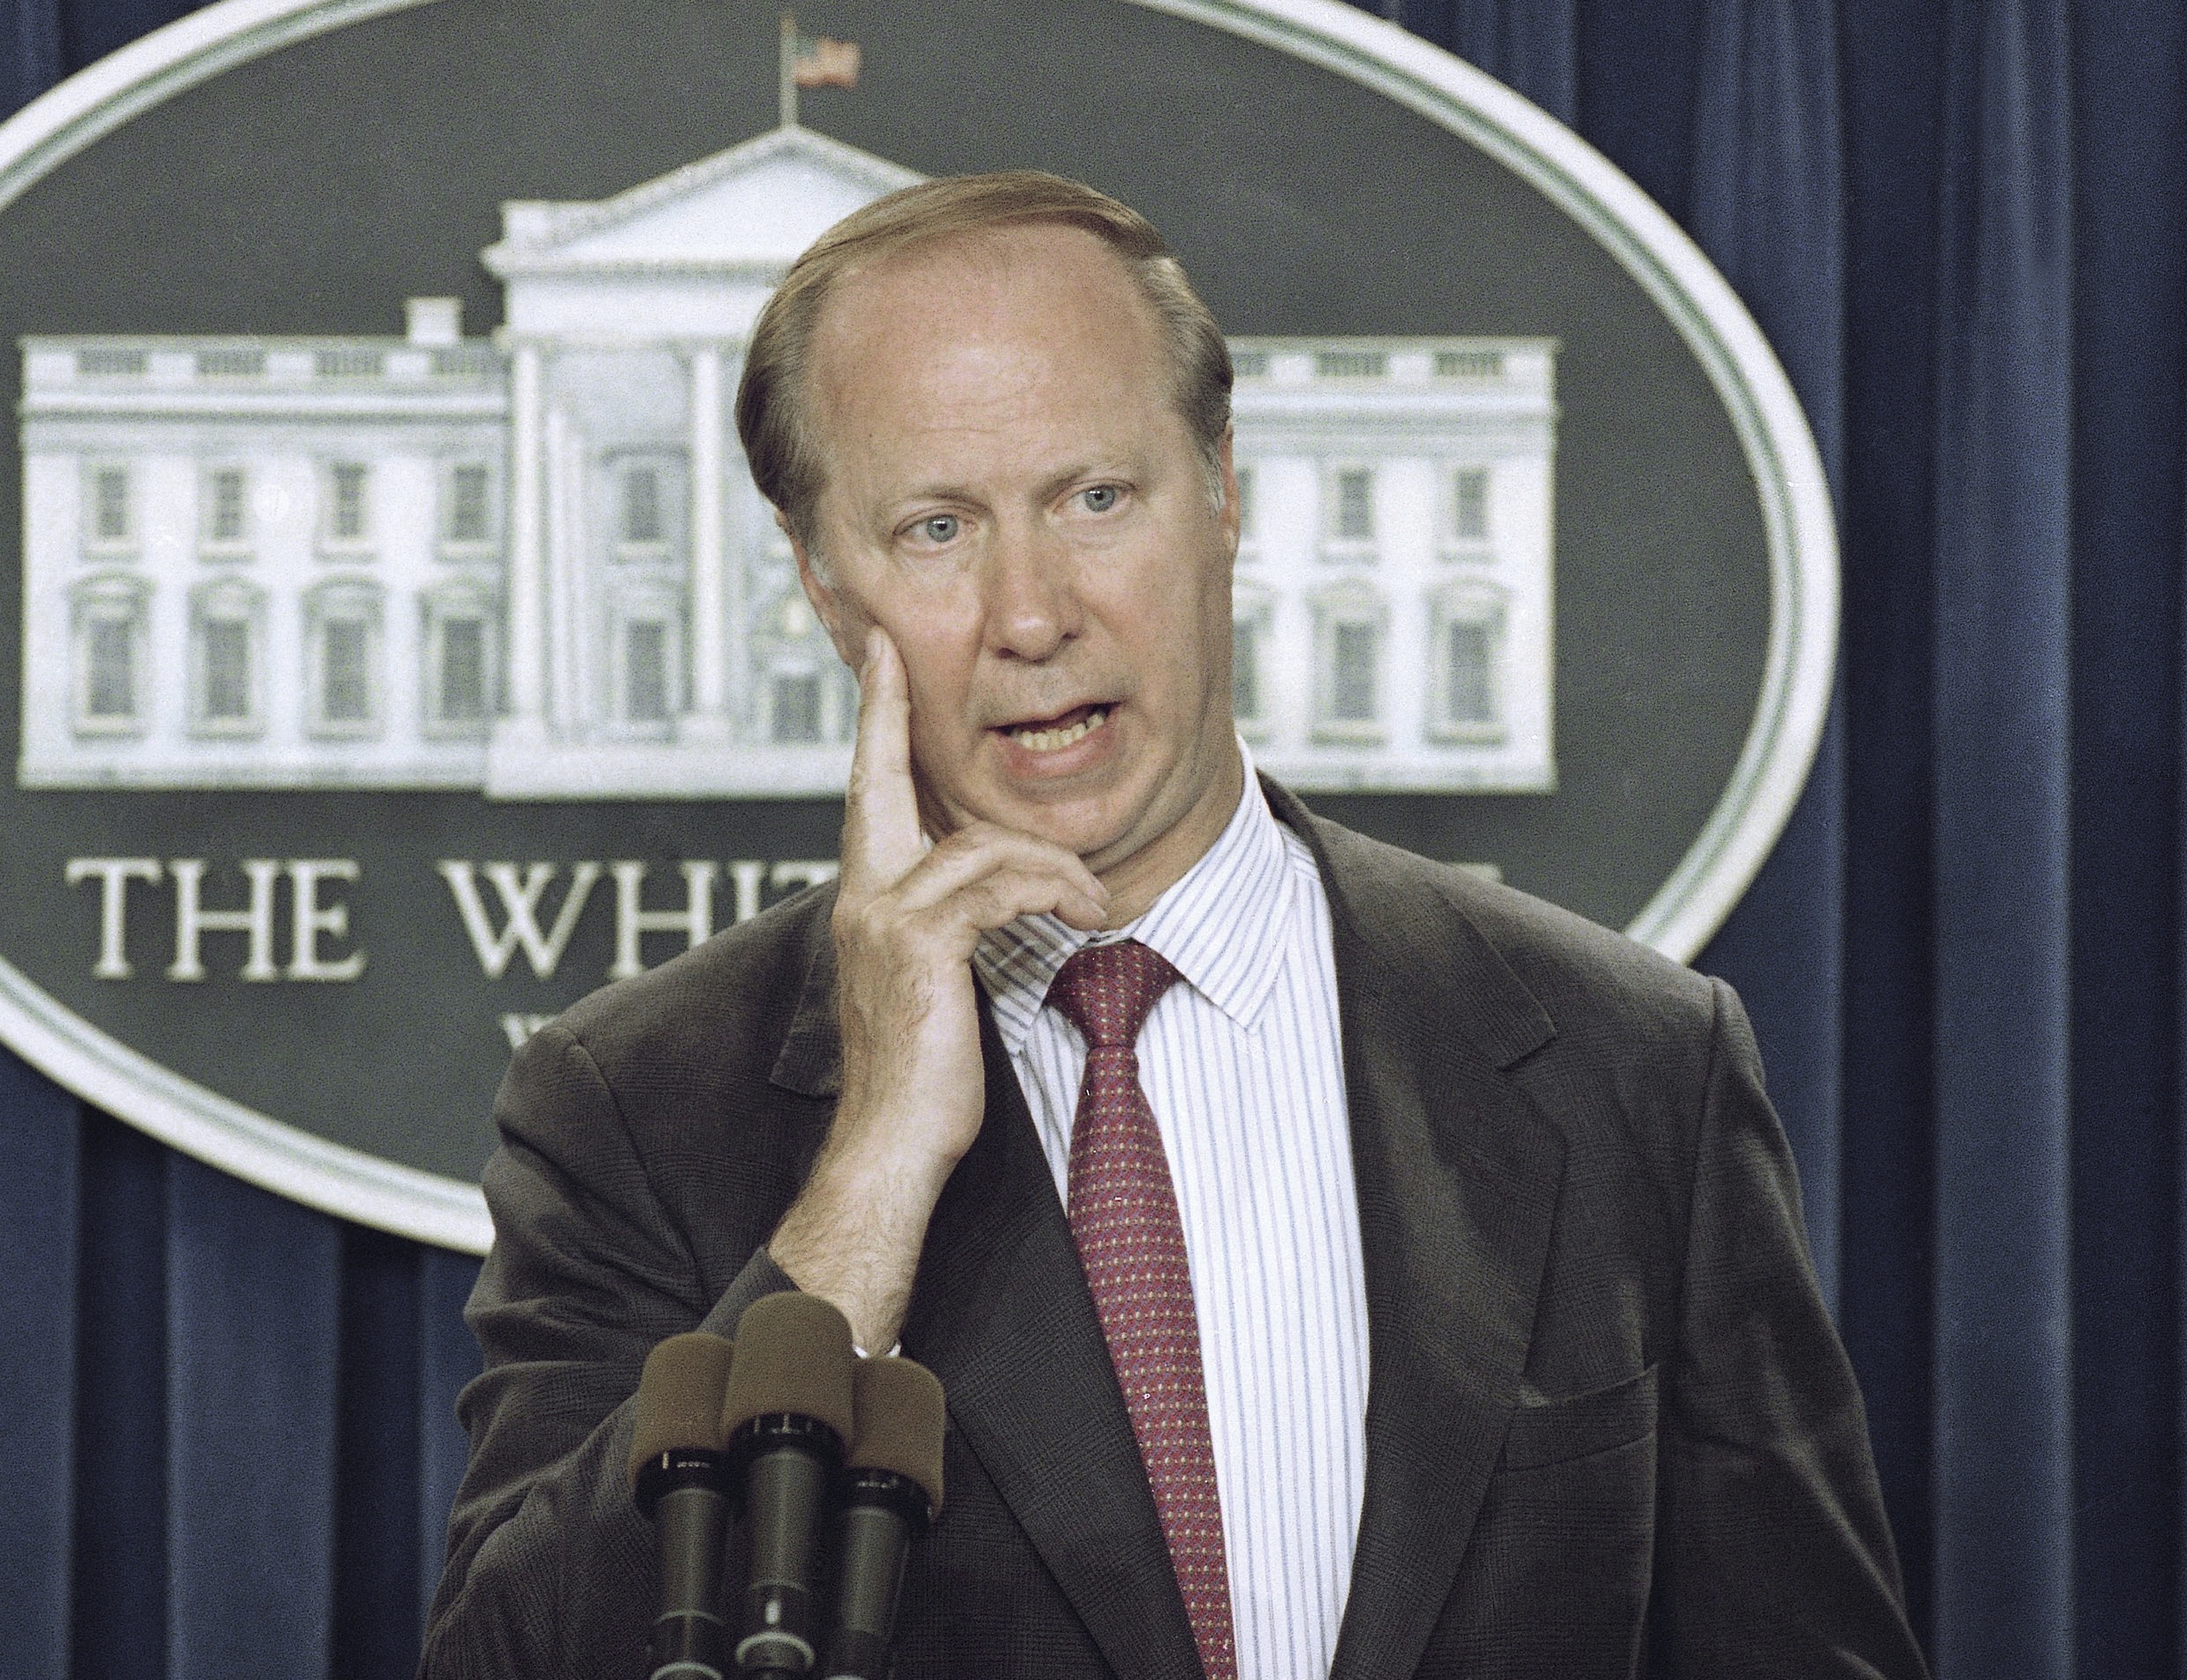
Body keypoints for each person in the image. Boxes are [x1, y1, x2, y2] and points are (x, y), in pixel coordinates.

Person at [418, 172, 1928, 1680]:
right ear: (828, 589)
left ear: (1222, 491)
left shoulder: (1631, 1067)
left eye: (1094, 498)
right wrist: (869, 1181)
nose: (1031, 612)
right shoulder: (633, 1110)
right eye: (938, 528)